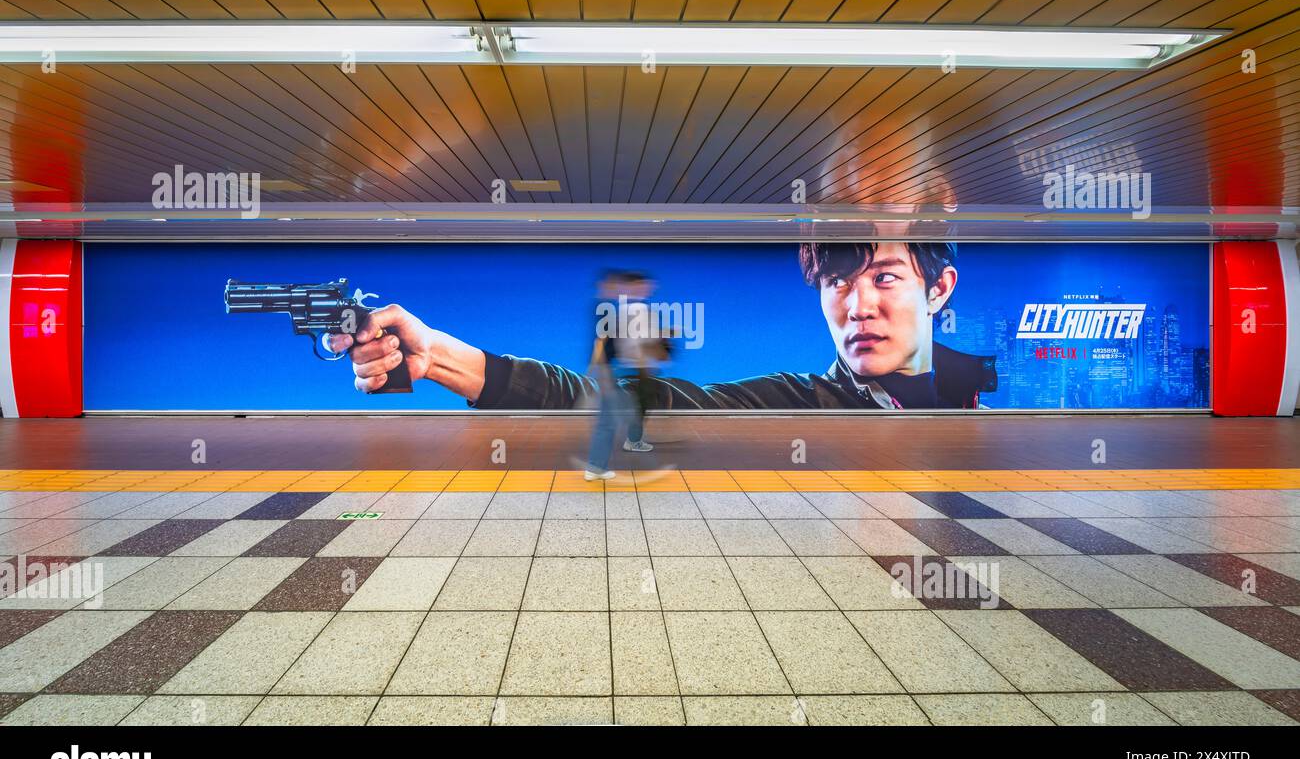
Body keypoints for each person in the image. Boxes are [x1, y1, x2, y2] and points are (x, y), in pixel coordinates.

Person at [324, 242, 996, 411]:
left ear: (939, 288)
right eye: (835, 282)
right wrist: (440, 355)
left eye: (883, 277)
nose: (858, 306)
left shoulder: (984, 398)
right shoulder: (804, 407)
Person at [583, 271, 653, 481]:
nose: (619, 289)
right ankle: (596, 466)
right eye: (616, 284)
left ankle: (597, 465)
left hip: (608, 370)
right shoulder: (603, 308)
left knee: (612, 417)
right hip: (608, 371)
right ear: (607, 284)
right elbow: (600, 341)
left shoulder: (607, 307)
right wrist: (599, 370)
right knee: (609, 419)